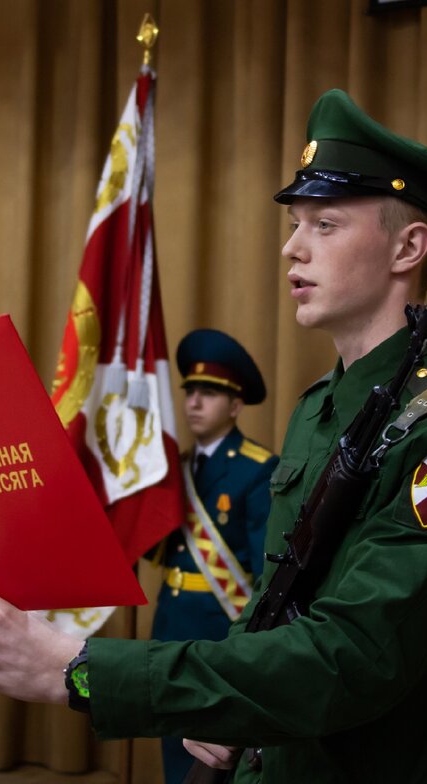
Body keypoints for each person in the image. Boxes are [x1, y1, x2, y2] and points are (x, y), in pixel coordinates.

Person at [0, 89, 427, 782]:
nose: (292, 247)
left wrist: (83, 670)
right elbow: (280, 607)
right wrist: (225, 708)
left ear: (408, 247)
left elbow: (353, 656)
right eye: (296, 224)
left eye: (324, 225)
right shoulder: (321, 408)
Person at [152, 328, 276, 783]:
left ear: (236, 405)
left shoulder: (257, 469)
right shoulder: (173, 469)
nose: (194, 403)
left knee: (214, 757)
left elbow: (267, 572)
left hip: (219, 631)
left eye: (209, 393)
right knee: (171, 738)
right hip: (170, 624)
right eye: (190, 392)